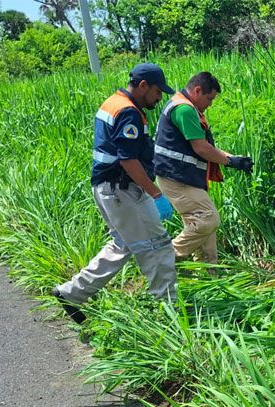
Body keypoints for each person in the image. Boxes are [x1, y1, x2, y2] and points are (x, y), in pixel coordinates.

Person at [52, 63, 178, 324]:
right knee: (157, 247)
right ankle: (169, 313)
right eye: (157, 91)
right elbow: (128, 161)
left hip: (109, 189)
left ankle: (71, 293)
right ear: (143, 86)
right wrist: (156, 194)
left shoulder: (113, 102)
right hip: (124, 190)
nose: (159, 97)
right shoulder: (129, 112)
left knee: (123, 245)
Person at [153, 71, 253, 265]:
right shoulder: (184, 110)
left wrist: (235, 159)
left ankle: (208, 275)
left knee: (203, 227)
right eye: (209, 98)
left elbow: (206, 147)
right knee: (208, 219)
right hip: (176, 178)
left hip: (182, 176)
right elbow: (201, 148)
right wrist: (230, 162)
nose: (210, 104)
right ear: (197, 90)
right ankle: (162, 259)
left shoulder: (182, 105)